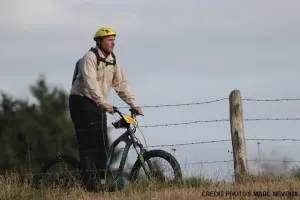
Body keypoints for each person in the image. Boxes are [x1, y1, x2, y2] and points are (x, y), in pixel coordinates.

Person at [68, 27, 143, 192]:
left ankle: (100, 182)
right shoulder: (89, 58)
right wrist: (103, 103)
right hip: (81, 101)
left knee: (102, 143)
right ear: (99, 42)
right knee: (89, 143)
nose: (113, 43)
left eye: (114, 40)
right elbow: (90, 83)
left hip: (97, 103)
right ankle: (90, 185)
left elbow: (120, 84)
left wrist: (133, 104)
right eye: (109, 40)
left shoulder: (113, 60)